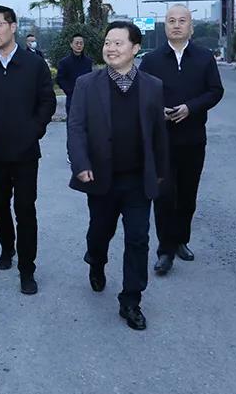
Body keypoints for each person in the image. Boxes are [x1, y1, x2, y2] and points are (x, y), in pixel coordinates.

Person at [67, 22, 169, 331]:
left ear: (135, 48)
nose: (110, 48)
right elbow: (76, 127)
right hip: (101, 176)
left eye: (118, 43)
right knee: (100, 232)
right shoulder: (87, 84)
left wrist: (160, 172)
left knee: (138, 238)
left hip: (138, 178)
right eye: (107, 43)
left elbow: (158, 133)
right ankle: (96, 261)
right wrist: (80, 163)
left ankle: (131, 300)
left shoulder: (153, 86)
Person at [0, 6, 56, 295]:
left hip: (26, 152)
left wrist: (34, 130)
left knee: (25, 209)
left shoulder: (33, 64)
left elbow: (47, 102)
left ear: (13, 27)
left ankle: (27, 270)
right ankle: (7, 247)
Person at [139, 5, 224, 275]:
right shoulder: (151, 60)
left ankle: (180, 240)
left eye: (182, 21)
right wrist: (158, 109)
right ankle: (165, 250)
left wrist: (191, 107)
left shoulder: (204, 57)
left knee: (187, 196)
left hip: (193, 138)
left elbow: (215, 91)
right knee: (164, 196)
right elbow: (140, 93)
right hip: (161, 140)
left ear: (191, 27)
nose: (176, 25)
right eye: (171, 21)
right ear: (165, 26)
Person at [55, 33, 94, 115]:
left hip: (87, 98)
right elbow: (60, 79)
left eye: (81, 43)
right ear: (71, 45)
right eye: (77, 43)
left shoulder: (88, 62)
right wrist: (69, 91)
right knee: (72, 120)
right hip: (72, 97)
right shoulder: (64, 62)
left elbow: (91, 78)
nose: (79, 45)